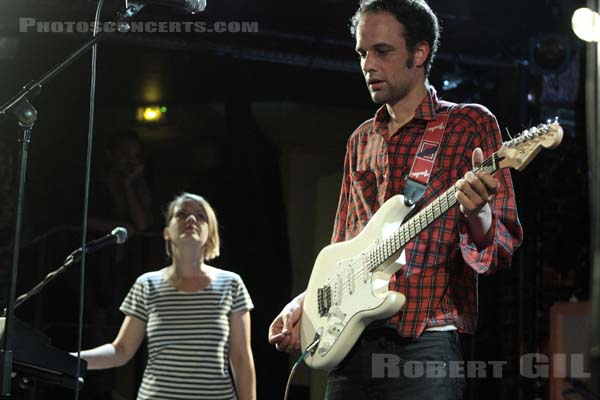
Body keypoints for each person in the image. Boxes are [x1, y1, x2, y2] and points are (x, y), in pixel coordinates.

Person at [268, 0, 523, 399]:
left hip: (426, 343)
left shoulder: (469, 124)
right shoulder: (360, 140)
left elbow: (501, 244)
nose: (368, 64)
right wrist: (307, 304)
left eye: (382, 51)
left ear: (419, 53)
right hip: (352, 345)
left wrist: (479, 213)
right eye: (362, 53)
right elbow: (344, 249)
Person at [78, 193, 256, 400]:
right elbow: (121, 350)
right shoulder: (147, 284)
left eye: (200, 216)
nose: (191, 219)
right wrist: (71, 360)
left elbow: (242, 358)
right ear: (166, 232)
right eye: (182, 214)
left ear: (210, 234)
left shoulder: (231, 284)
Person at [88, 130, 154, 235]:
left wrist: (128, 185)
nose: (131, 161)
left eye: (136, 156)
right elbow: (85, 221)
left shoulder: (139, 185)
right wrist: (117, 228)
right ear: (110, 155)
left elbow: (142, 224)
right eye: (125, 154)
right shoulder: (95, 184)